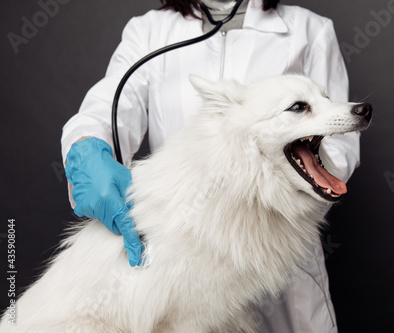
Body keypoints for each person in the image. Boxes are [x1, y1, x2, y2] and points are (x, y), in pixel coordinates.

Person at [62, 0, 360, 332]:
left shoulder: (309, 30)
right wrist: (86, 144)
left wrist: (265, 200)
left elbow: (338, 143)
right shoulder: (149, 30)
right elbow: (109, 107)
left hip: (284, 264)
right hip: (183, 237)